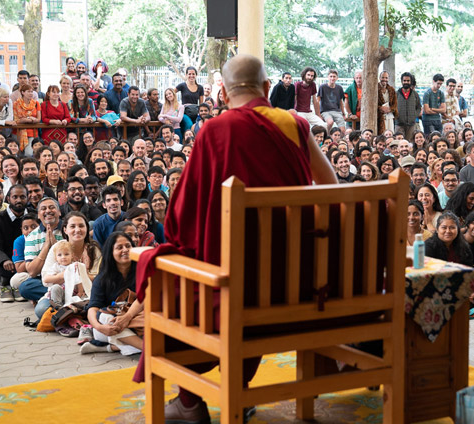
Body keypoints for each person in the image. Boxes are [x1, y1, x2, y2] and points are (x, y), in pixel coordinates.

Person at [134, 54, 337, 423]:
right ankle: (238, 393)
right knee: (253, 274)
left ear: (223, 93)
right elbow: (331, 186)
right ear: (266, 88)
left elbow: (181, 214)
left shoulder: (215, 129)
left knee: (169, 275)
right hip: (302, 283)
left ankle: (191, 401)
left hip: (244, 290)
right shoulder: (294, 123)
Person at [81, 231, 143, 355]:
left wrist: (127, 317)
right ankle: (149, 349)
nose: (125, 250)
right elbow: (92, 309)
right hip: (108, 328)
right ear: (111, 252)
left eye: (128, 246)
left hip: (136, 323)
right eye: (119, 247)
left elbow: (145, 298)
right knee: (103, 316)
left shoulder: (142, 271)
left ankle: (110, 347)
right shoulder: (102, 279)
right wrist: (99, 327)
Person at [0, 184, 28, 301]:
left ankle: (16, 282)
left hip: (28, 261)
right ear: (8, 199)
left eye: (22, 197)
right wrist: (4, 260)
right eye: (15, 197)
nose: (19, 200)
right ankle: (9, 285)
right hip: (9, 262)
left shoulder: (34, 216)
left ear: (28, 198)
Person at [13, 84, 41, 152]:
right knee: (18, 153)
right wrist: (27, 119)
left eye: (32, 91)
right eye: (28, 91)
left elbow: (38, 119)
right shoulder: (16, 104)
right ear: (23, 92)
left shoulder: (36, 103)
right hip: (18, 132)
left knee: (28, 153)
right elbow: (15, 120)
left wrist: (29, 120)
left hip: (32, 132)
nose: (31, 93)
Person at [395, 72, 422, 140]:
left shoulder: (415, 94)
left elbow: (419, 107)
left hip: (411, 125)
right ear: (401, 81)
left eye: (408, 81)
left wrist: (414, 115)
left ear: (410, 82)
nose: (406, 82)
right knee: (398, 143)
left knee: (410, 144)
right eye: (404, 80)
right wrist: (396, 116)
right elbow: (392, 106)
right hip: (399, 124)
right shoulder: (396, 94)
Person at [377, 70, 398, 135]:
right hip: (379, 116)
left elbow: (395, 104)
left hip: (389, 115)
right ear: (379, 78)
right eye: (383, 77)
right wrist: (380, 108)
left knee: (390, 133)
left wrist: (390, 109)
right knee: (381, 134)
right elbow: (372, 104)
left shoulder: (392, 90)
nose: (384, 79)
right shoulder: (375, 88)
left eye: (386, 78)